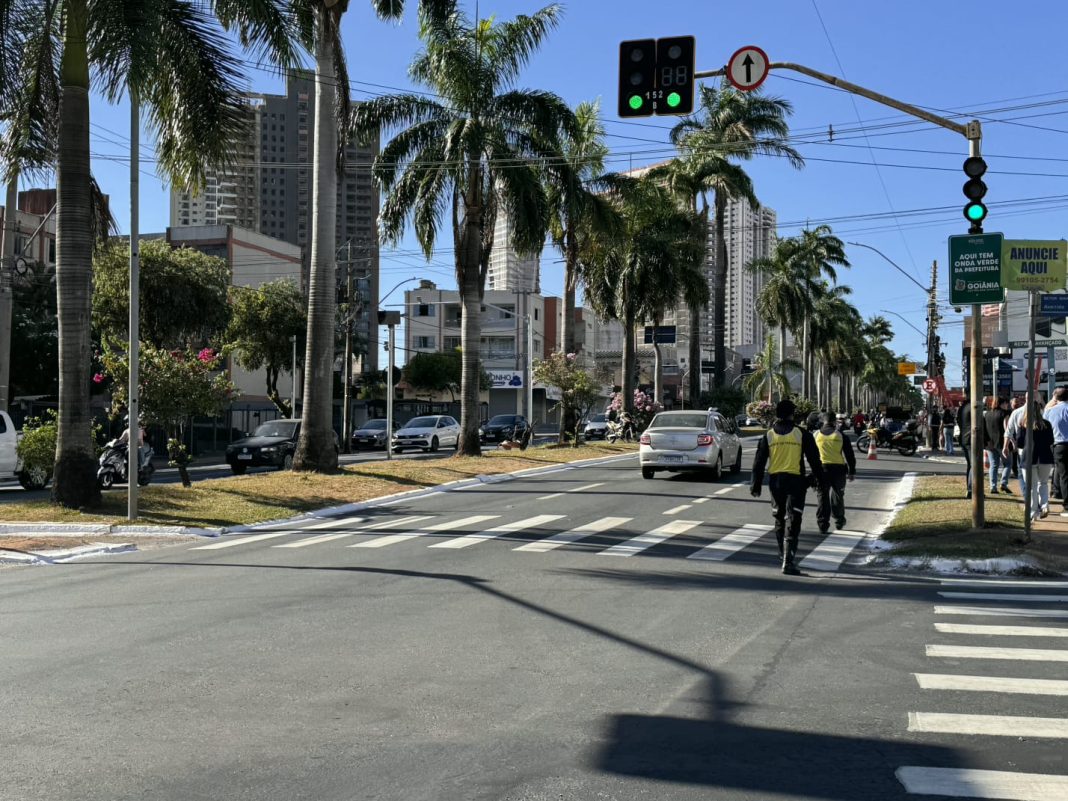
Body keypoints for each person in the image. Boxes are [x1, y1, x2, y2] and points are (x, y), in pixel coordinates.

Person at [750, 399, 827, 576]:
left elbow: (758, 462)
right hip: (796, 482)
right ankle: (788, 560)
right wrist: (820, 480)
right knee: (794, 518)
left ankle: (782, 554)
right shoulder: (802, 434)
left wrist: (756, 485)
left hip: (776, 482)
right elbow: (815, 460)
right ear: (792, 414)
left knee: (779, 518)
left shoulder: (768, 435)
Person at [1010, 400, 1054, 520]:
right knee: (1043, 483)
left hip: (1029, 458)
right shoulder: (1047, 424)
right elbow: (1051, 440)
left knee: (1031, 486)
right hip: (1045, 457)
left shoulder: (1023, 424)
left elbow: (1019, 443)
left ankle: (1033, 512)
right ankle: (1044, 505)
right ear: (1040, 410)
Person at [814, 412, 857, 534]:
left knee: (822, 496)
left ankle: (822, 524)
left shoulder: (816, 435)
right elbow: (849, 455)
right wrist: (852, 471)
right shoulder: (840, 435)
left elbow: (811, 454)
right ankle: (839, 520)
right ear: (834, 422)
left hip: (821, 469)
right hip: (838, 470)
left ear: (823, 421)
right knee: (838, 495)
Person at [1043, 387, 1068, 515]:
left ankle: (1066, 504)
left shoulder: (1049, 411)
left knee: (1064, 475)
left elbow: (1043, 427)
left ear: (1055, 397)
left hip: (1057, 445)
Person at [983, 397, 1011, 494]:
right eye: (1006, 403)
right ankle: (1003, 483)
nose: (1007, 405)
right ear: (1002, 404)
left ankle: (993, 486)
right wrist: (1011, 441)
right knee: (1008, 464)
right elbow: (1007, 428)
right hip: (1002, 442)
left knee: (993, 465)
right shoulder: (1005, 413)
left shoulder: (987, 414)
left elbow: (984, 428)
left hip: (990, 443)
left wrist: (987, 441)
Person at [960, 393, 973, 498]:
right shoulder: (973, 407)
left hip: (964, 438)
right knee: (974, 465)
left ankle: (970, 488)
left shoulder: (962, 408)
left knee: (970, 465)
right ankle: (971, 489)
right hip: (971, 439)